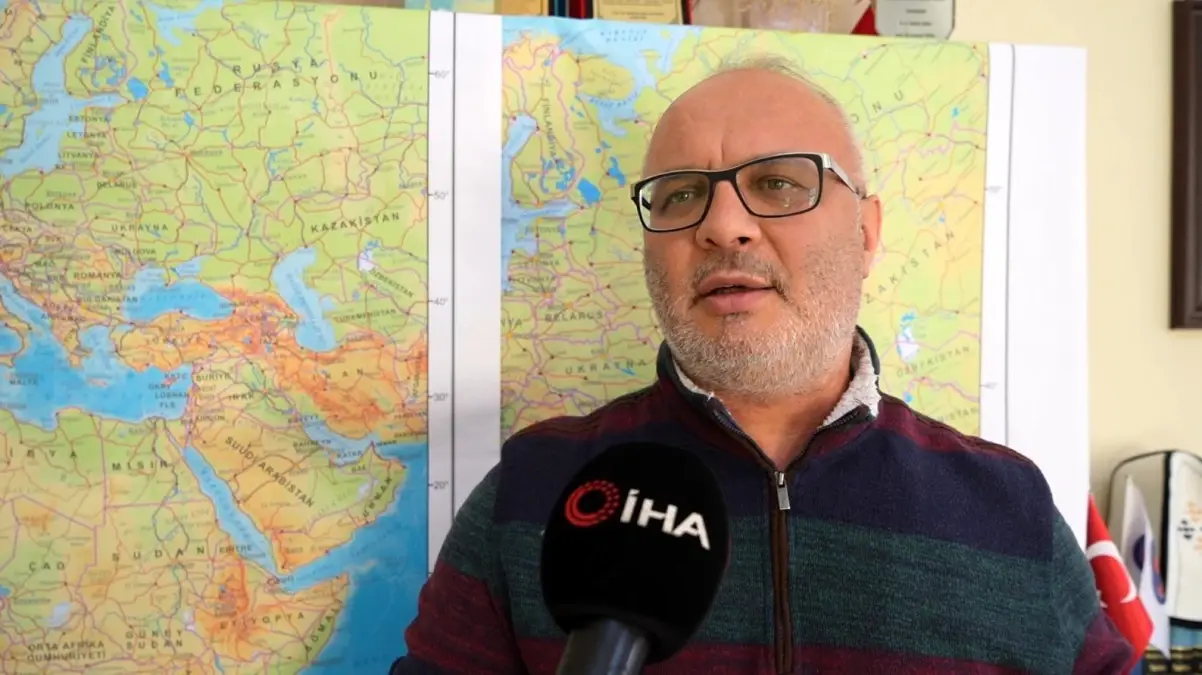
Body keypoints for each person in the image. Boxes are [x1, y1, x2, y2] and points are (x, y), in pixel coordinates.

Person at [392, 56, 1134, 674]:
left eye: (778, 183)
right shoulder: (533, 491)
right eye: (681, 194)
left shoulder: (1007, 506)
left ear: (866, 233)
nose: (723, 226)